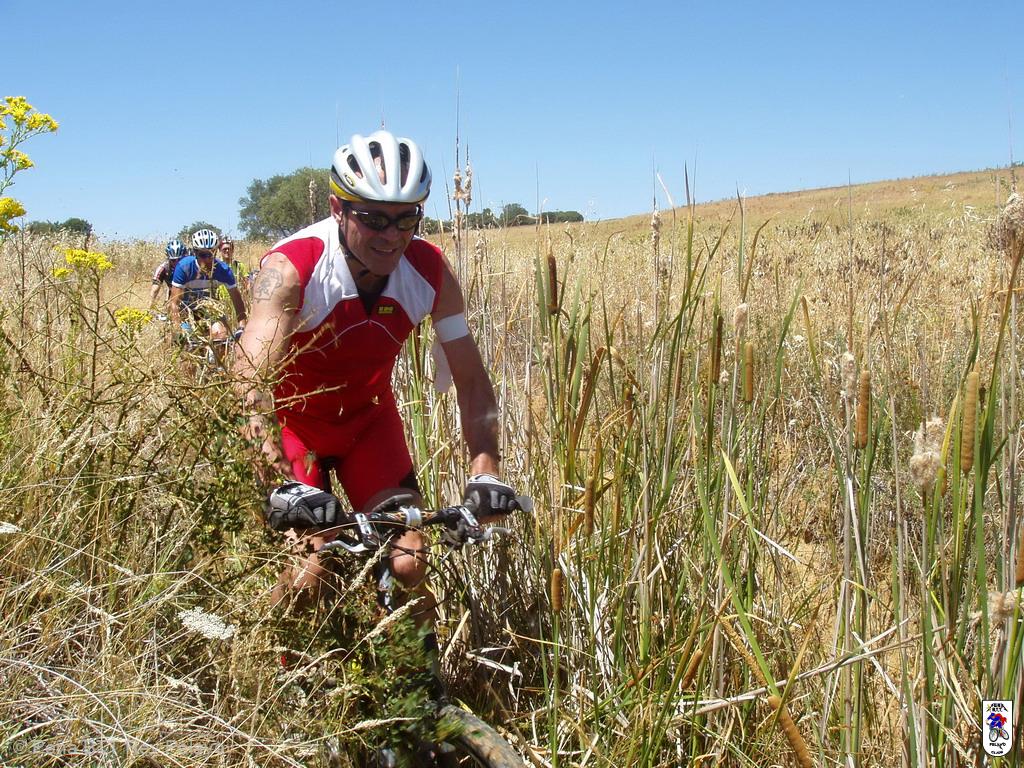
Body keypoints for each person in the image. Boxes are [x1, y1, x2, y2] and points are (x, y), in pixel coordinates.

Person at [234, 130, 519, 629]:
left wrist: (486, 470)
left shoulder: (430, 272)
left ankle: (415, 678)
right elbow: (247, 381)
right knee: (308, 571)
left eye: (406, 218)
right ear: (337, 208)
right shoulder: (293, 268)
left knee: (409, 562)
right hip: (294, 426)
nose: (391, 235)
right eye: (373, 218)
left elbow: (472, 381)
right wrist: (279, 483)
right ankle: (274, 665)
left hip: (368, 425)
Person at [170, 228, 248, 356]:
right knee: (188, 351)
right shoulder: (184, 268)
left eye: (211, 254)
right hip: (186, 312)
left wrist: (242, 326)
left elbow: (236, 299)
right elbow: (174, 303)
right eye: (203, 255)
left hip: (209, 310)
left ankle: (217, 366)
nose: (207, 259)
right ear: (195, 253)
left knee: (221, 337)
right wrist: (177, 329)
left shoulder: (223, 270)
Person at [148, 239, 187, 314]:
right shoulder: (163, 268)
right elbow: (154, 290)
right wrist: (149, 310)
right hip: (173, 296)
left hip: (191, 295)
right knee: (169, 309)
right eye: (173, 260)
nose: (176, 263)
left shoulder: (191, 266)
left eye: (179, 259)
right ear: (168, 258)